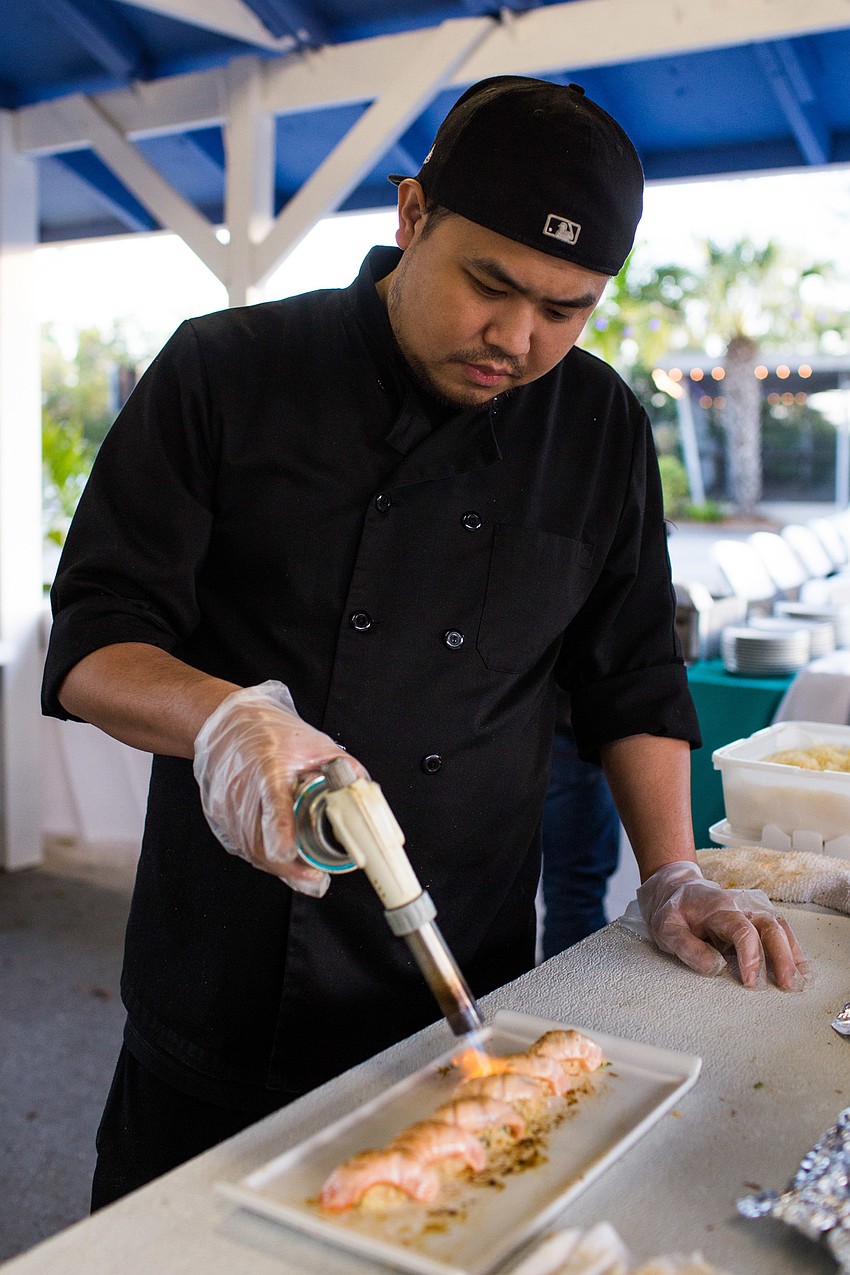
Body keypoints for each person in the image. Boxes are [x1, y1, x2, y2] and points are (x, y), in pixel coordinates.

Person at [41, 75, 808, 1209]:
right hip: (231, 961)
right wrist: (223, 717)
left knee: (431, 1217)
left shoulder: (597, 425)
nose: (518, 337)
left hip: (461, 954)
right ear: (411, 218)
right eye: (490, 285)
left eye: (568, 308)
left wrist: (671, 873)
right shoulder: (226, 370)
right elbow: (96, 637)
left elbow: (631, 675)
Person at [541, 688, 621, 957]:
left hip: (572, 722)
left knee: (575, 893)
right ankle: (568, 993)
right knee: (576, 894)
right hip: (570, 724)